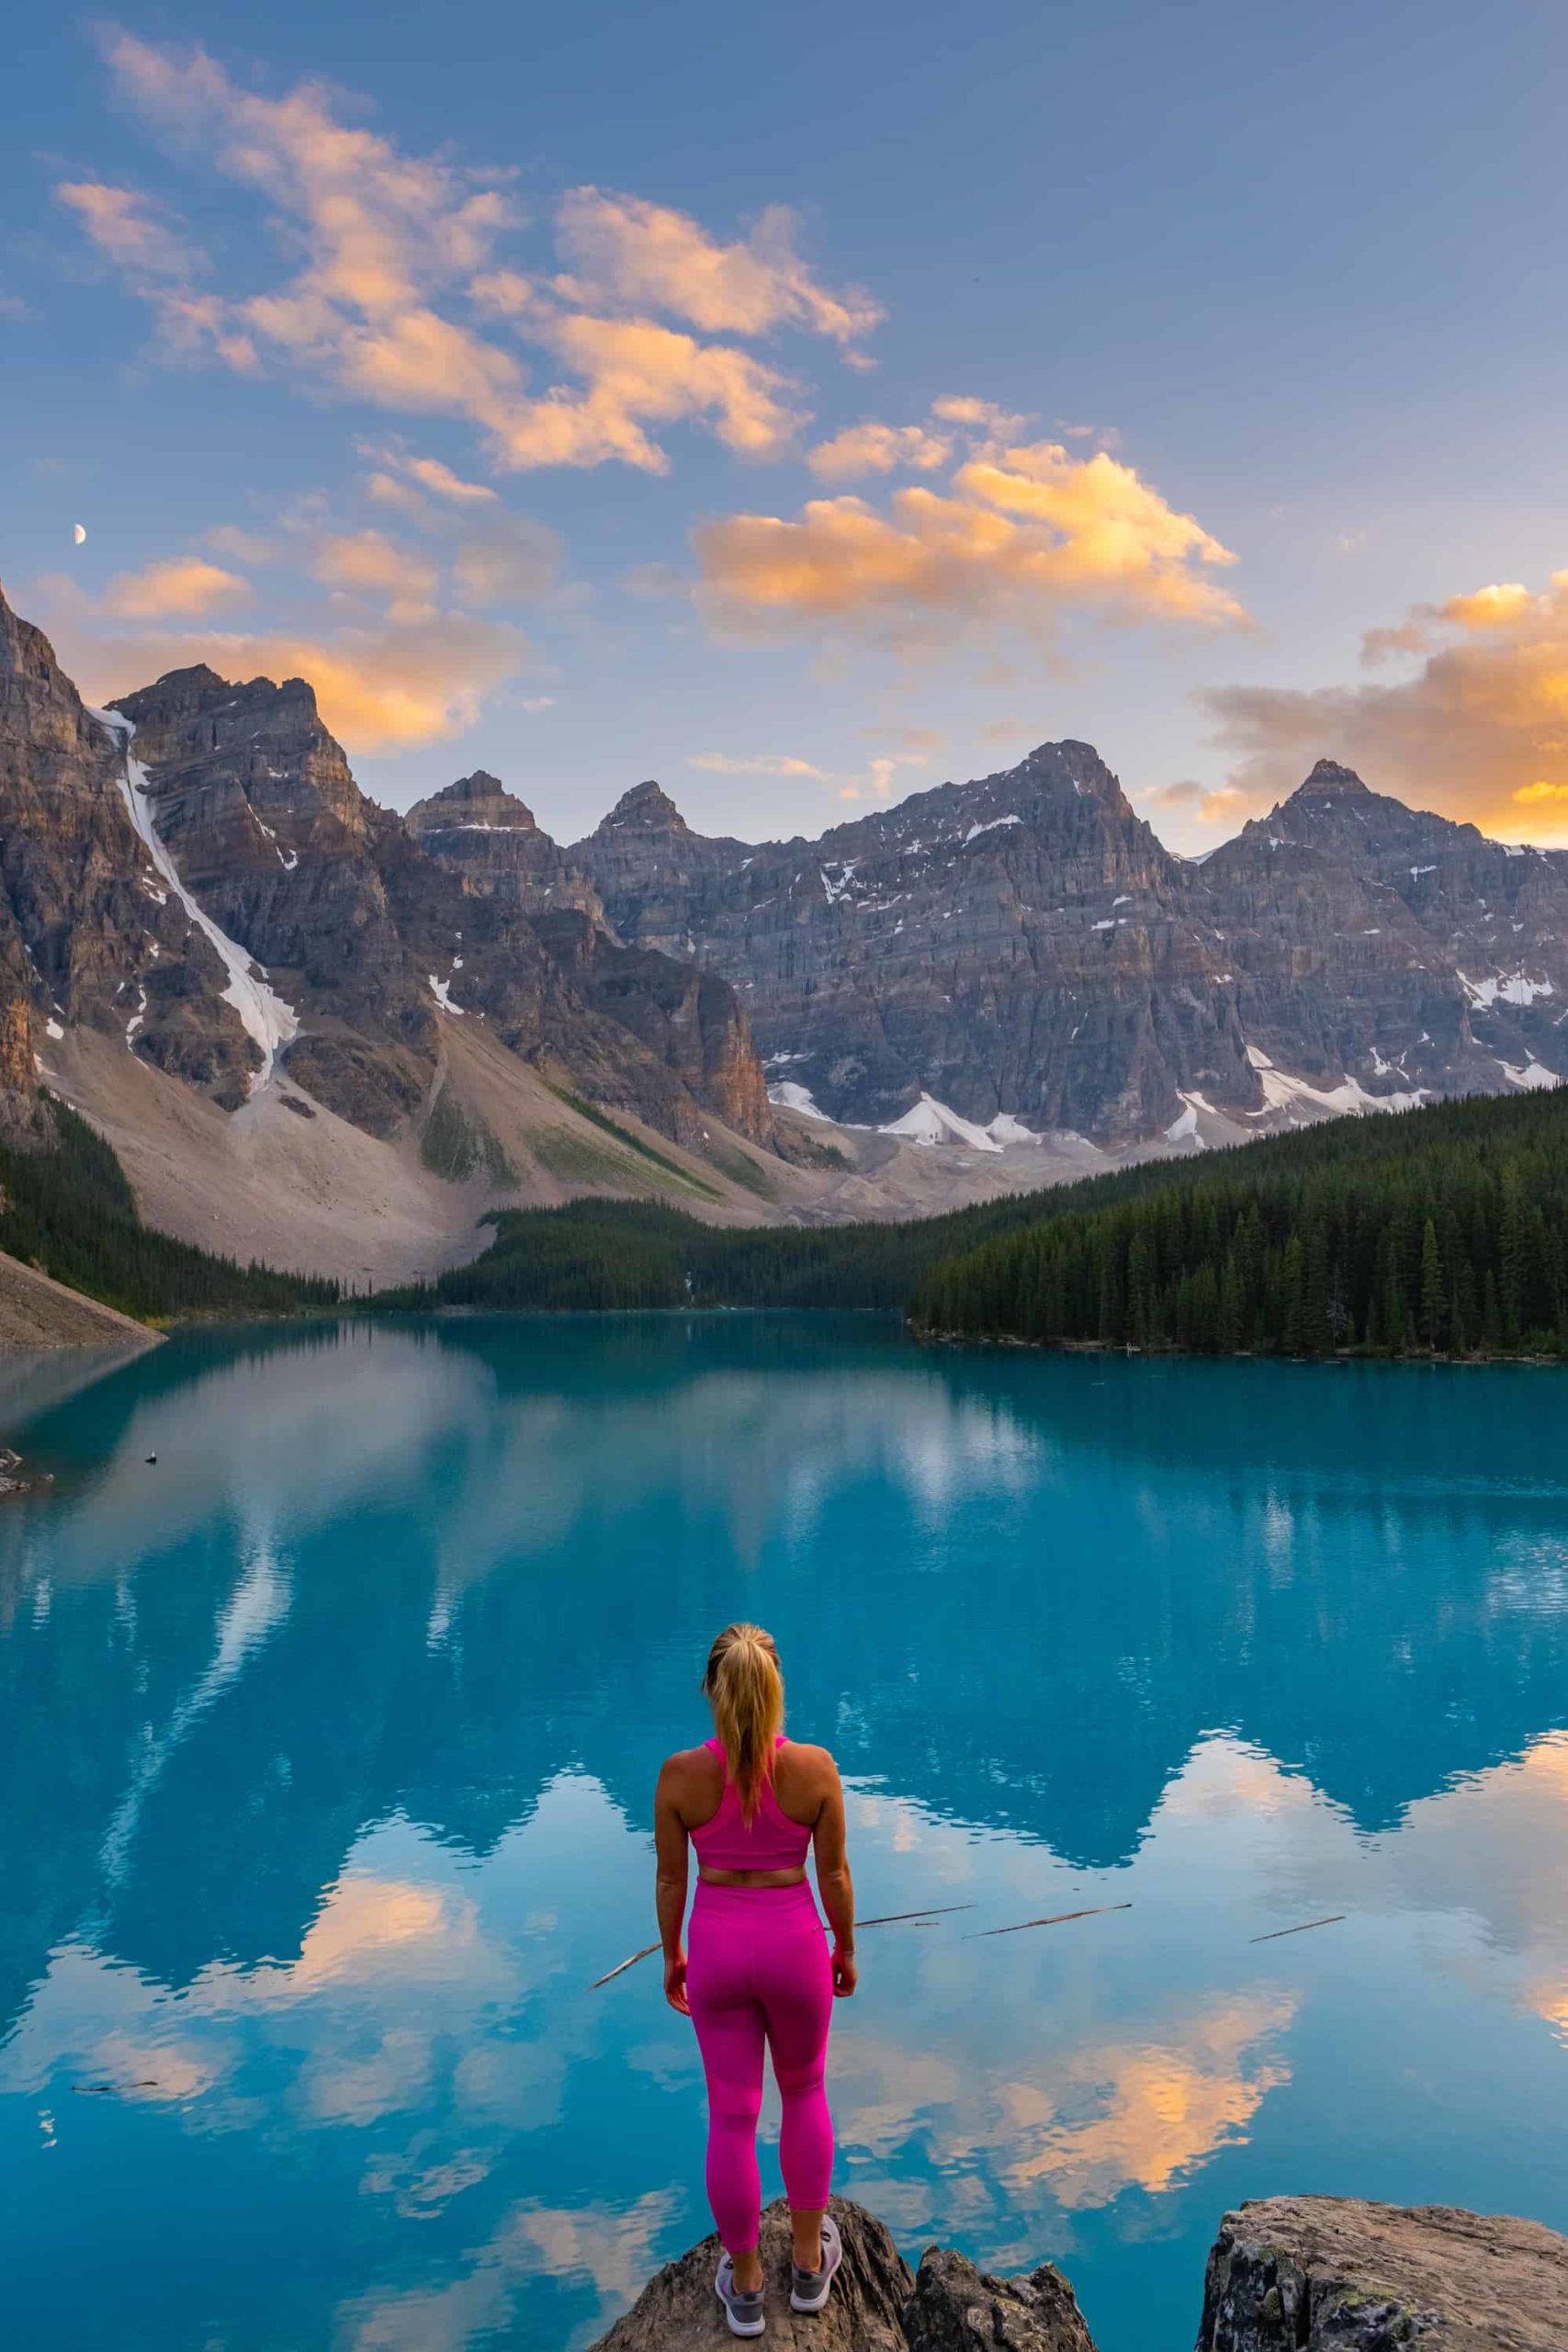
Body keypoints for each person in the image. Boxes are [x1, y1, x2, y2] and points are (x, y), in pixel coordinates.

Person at [655, 1623, 857, 2338]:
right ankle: (807, 2267)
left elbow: (671, 1876)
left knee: (732, 2115)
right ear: (776, 1689)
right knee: (803, 2089)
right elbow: (831, 1873)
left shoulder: (679, 1775)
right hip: (794, 1943)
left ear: (710, 1689)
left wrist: (672, 1954)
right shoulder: (815, 1769)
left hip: (715, 1946)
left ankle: (744, 2287)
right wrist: (846, 1949)